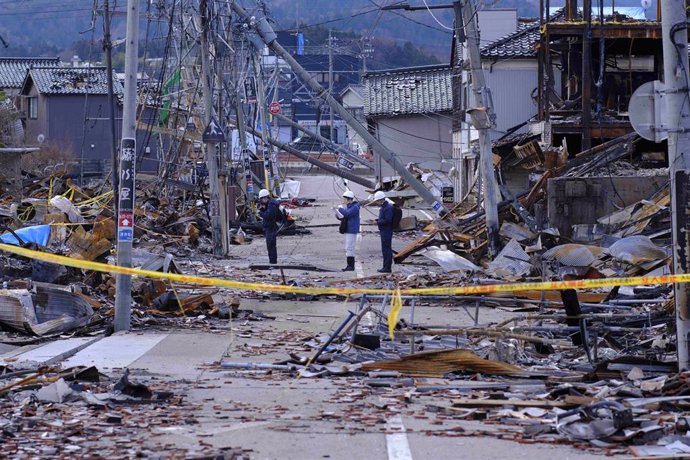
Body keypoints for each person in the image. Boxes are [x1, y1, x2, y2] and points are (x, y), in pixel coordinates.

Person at [335, 190, 360, 271]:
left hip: (351, 230)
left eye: (344, 199)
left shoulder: (354, 207)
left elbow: (347, 214)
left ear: (349, 199)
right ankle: (350, 265)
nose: (343, 200)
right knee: (348, 247)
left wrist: (340, 209)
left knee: (349, 247)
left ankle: (350, 266)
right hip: (349, 229)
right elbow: (345, 215)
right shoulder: (350, 207)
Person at [257, 188, 280, 264]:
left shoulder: (271, 204)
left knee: (271, 245)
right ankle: (272, 261)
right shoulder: (270, 203)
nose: (261, 202)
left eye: (261, 199)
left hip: (271, 227)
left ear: (265, 198)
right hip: (269, 227)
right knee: (270, 245)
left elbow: (269, 216)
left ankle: (273, 262)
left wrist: (261, 213)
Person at [373, 190, 394, 273]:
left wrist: (378, 222)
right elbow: (384, 218)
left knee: (386, 249)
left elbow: (388, 220)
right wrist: (378, 220)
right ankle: (385, 266)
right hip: (384, 230)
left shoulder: (387, 208)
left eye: (377, 201)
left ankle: (387, 267)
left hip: (387, 230)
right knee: (385, 249)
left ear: (380, 200)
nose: (377, 203)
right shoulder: (384, 207)